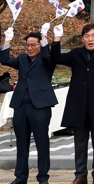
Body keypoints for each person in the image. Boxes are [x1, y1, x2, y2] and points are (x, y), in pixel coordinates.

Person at [51, 21, 94, 184]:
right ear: (82, 39)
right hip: (79, 106)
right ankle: (80, 174)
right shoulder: (75, 54)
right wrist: (56, 39)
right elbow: (56, 58)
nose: (90, 39)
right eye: (87, 36)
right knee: (80, 143)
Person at [1, 24, 56, 184]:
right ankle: (21, 177)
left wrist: (44, 38)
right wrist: (7, 41)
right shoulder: (22, 59)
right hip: (21, 106)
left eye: (33, 45)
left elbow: (48, 56)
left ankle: (43, 177)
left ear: (40, 45)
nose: (30, 48)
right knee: (22, 144)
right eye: (28, 45)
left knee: (42, 143)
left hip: (40, 106)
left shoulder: (47, 59)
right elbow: (4, 59)